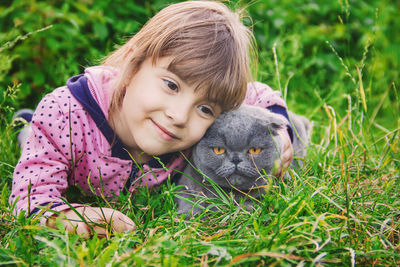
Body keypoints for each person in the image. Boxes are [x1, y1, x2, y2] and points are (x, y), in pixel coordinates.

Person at [10, 1, 293, 237]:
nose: (179, 116)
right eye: (171, 85)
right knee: (35, 142)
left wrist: (280, 130)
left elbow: (259, 95)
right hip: (53, 133)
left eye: (204, 108)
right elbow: (30, 200)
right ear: (133, 64)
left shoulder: (191, 119)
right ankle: (24, 125)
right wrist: (74, 217)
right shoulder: (66, 115)